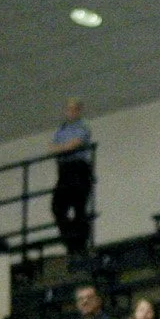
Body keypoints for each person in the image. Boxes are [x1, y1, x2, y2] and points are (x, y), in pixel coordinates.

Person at [49, 99, 94, 259]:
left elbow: (73, 145)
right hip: (64, 170)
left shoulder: (82, 127)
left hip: (78, 168)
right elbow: (53, 148)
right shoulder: (61, 129)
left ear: (79, 111)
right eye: (68, 109)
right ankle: (71, 243)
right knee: (57, 208)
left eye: (74, 109)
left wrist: (63, 148)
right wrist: (64, 148)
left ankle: (79, 245)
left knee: (78, 207)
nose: (71, 112)